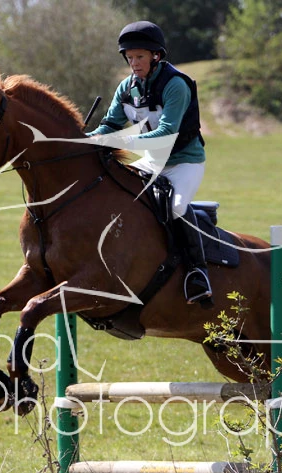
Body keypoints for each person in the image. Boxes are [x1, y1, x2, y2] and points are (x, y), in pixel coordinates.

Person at [87, 21, 212, 305]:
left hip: (183, 162)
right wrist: (85, 139)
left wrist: (119, 141)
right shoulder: (126, 87)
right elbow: (110, 125)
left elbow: (166, 135)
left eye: (140, 57)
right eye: (130, 57)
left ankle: (198, 272)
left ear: (156, 55)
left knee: (176, 207)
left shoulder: (175, 85)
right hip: (151, 162)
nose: (134, 63)